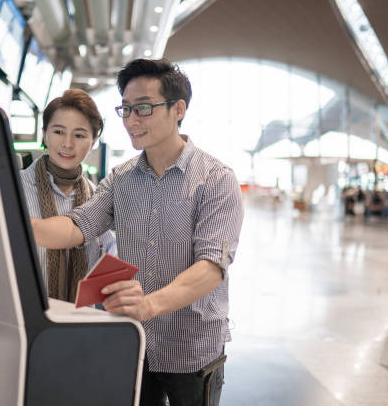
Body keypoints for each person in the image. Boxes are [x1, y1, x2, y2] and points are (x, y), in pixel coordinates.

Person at [30, 58, 244, 406]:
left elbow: (211, 268)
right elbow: (77, 226)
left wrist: (148, 305)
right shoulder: (121, 179)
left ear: (178, 109)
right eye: (126, 109)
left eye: (143, 108)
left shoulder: (216, 179)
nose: (131, 121)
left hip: (191, 348)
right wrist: (20, 225)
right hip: (136, 341)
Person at [20, 89, 116, 302]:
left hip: (78, 320)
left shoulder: (98, 198)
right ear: (44, 133)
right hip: (21, 314)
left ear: (93, 141)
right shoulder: (13, 188)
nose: (67, 143)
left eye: (79, 135)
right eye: (58, 132)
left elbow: (109, 259)